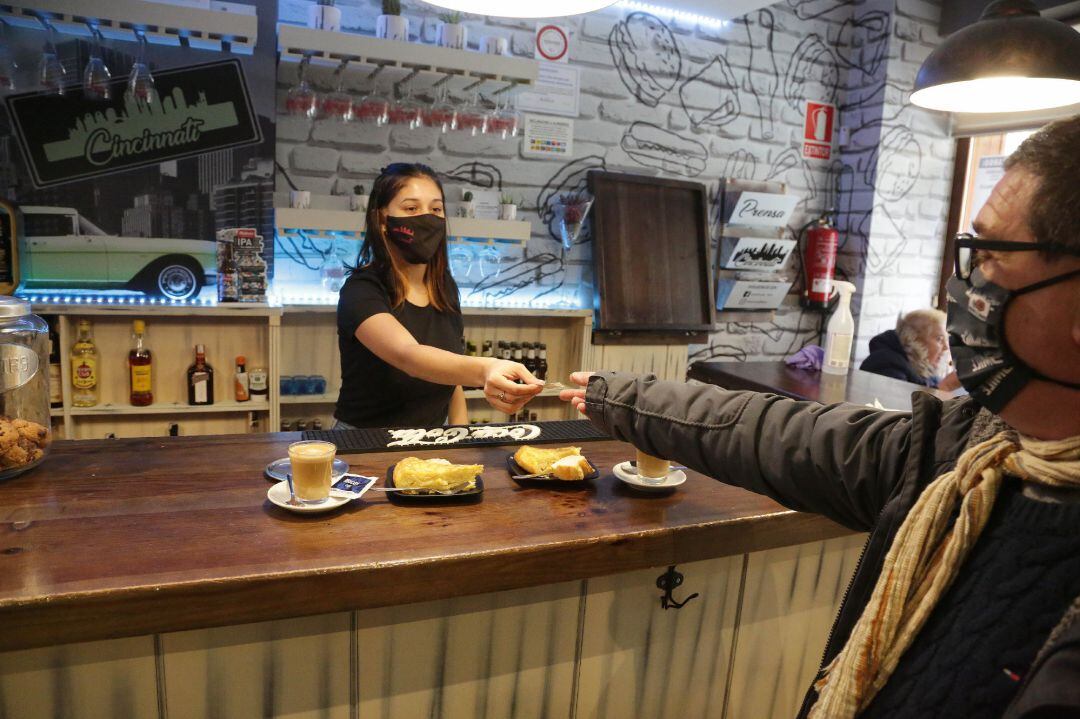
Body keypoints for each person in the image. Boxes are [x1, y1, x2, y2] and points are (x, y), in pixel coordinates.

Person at [561, 116, 1080, 718]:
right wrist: (623, 397)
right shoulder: (972, 447)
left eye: (989, 256)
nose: (961, 285)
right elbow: (784, 436)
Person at [335, 163, 542, 428]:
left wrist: (460, 437)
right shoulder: (361, 290)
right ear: (382, 220)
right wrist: (486, 369)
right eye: (411, 209)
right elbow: (408, 356)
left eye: (435, 209)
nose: (426, 218)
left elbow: (450, 377)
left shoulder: (444, 288)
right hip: (365, 443)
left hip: (430, 441)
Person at [860, 309, 960, 389]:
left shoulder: (921, 368)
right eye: (939, 339)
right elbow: (898, 409)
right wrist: (946, 386)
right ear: (914, 339)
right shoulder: (886, 365)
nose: (946, 347)